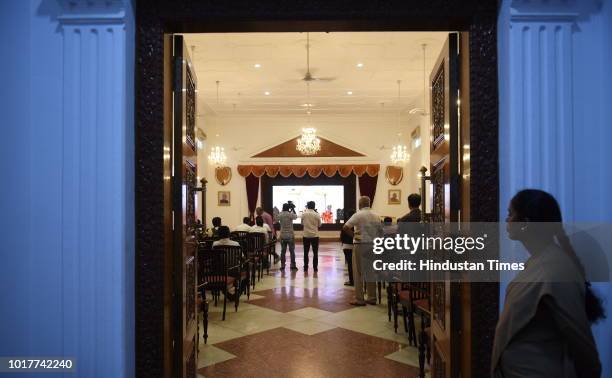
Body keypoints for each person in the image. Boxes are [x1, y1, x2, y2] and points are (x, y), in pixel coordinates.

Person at [492, 189, 604, 378]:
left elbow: (581, 341)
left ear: (525, 224)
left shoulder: (557, 269)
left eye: (510, 214)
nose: (506, 220)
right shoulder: (539, 261)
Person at [343, 196, 383, 306]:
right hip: (372, 245)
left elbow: (345, 227)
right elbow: (381, 231)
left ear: (360, 204)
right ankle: (372, 297)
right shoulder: (376, 216)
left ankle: (359, 299)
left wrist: (354, 235)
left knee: (358, 272)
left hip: (360, 244)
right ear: (369, 204)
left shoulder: (358, 215)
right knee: (370, 271)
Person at [301, 201, 321, 272]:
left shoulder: (304, 214)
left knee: (305, 252)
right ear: (314, 206)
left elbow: (302, 223)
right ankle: (315, 268)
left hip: (306, 235)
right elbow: (319, 225)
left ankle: (305, 267)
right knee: (315, 253)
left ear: (307, 206)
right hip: (315, 236)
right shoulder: (317, 214)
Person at [278, 203, 298, 270]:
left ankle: (282, 265)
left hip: (282, 235)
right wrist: (293, 209)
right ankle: (293, 265)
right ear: (288, 208)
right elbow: (296, 216)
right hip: (290, 235)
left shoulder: (280, 214)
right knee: (292, 251)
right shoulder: (290, 214)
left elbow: (277, 218)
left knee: (283, 251)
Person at [340, 209, 355, 286]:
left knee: (350, 264)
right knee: (356, 264)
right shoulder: (357, 223)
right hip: (355, 245)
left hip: (346, 246)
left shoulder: (347, 224)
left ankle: (352, 281)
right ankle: (357, 280)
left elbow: (342, 236)